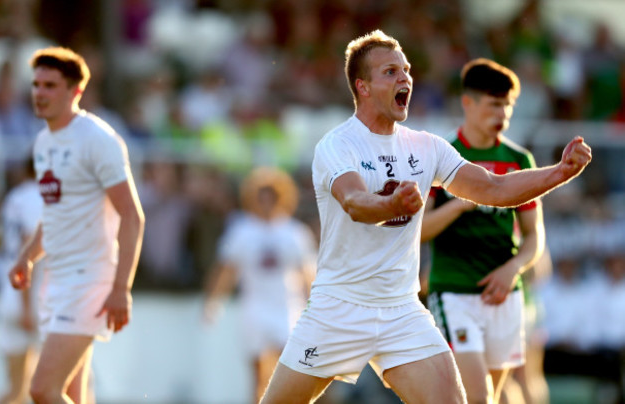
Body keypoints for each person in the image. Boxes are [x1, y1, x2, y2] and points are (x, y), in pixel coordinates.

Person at [259, 30, 591, 404]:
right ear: (362, 87)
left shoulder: (426, 146)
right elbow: (354, 202)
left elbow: (494, 189)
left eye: (407, 70)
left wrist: (560, 173)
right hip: (339, 307)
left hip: (401, 310)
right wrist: (393, 206)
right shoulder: (338, 145)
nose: (405, 78)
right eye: (390, 72)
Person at [8, 46, 145, 404]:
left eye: (50, 85)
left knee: (41, 389)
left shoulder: (97, 140)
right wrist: (27, 257)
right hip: (57, 277)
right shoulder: (43, 143)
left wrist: (121, 287)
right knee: (73, 393)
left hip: (90, 279)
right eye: (36, 84)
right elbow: (55, 213)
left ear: (76, 91)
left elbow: (132, 216)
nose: (40, 93)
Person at [420, 58, 546, 404]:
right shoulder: (442, 157)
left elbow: (534, 235)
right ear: (468, 103)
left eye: (508, 106)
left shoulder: (518, 160)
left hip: (505, 293)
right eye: (494, 105)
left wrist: (513, 269)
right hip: (455, 292)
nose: (502, 114)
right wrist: (460, 203)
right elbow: (418, 232)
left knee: (501, 392)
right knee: (477, 396)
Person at [203, 166, 317, 403]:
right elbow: (226, 271)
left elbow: (308, 276)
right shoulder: (241, 232)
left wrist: (316, 309)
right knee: (258, 375)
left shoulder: (294, 233)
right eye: (261, 196)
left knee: (290, 373)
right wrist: (213, 302)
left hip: (288, 309)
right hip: (254, 309)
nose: (266, 202)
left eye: (271, 197)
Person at [0, 158, 43, 404]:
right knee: (57, 387)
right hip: (31, 301)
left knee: (16, 391)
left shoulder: (13, 197)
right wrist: (27, 308)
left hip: (8, 294)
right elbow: (28, 245)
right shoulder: (39, 198)